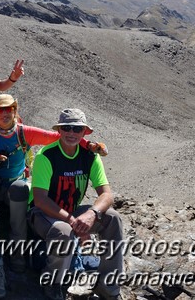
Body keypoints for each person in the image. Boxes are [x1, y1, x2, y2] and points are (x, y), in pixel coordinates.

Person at [0, 95, 108, 299]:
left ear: (15, 111)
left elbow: (60, 137)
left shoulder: (23, 133)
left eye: (9, 109)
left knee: (19, 189)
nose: (5, 113)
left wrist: (88, 145)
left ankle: (18, 257)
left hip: (15, 187)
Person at [28, 109, 123, 300]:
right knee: (63, 232)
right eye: (67, 128)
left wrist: (92, 214)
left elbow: (106, 194)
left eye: (77, 129)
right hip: (42, 213)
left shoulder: (90, 156)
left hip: (72, 211)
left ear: (84, 132)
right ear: (60, 130)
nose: (72, 133)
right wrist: (75, 223)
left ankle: (108, 285)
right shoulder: (46, 156)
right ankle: (54, 283)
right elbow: (40, 199)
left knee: (113, 218)